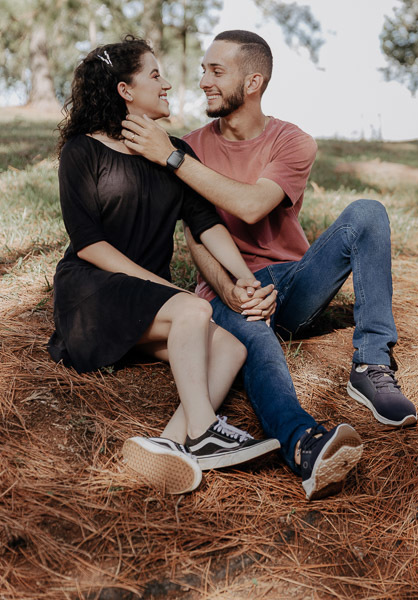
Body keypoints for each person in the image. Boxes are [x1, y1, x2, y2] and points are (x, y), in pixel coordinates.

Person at [121, 30, 416, 500]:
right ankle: (304, 443)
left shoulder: (291, 141)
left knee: (367, 214)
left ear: (253, 81)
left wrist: (173, 158)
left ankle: (373, 364)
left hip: (292, 285)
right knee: (253, 333)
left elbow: (252, 205)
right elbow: (197, 237)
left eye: (216, 71)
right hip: (226, 291)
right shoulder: (193, 143)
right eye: (203, 70)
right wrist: (230, 288)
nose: (202, 82)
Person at [49, 37, 280, 495]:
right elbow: (89, 245)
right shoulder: (82, 151)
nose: (169, 83)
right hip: (91, 298)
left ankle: (168, 445)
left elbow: (206, 224)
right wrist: (167, 290)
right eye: (155, 75)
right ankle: (205, 432)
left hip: (148, 309)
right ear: (125, 90)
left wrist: (246, 278)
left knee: (232, 348)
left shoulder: (173, 152)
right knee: (196, 310)